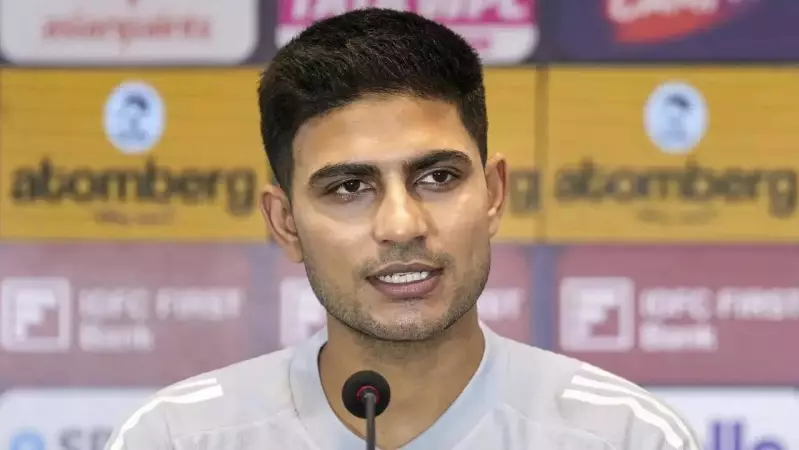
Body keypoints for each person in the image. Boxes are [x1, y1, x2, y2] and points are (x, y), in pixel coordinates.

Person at [106, 8, 699, 450]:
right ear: (285, 224)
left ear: (493, 194)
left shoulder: (627, 436)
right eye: (349, 187)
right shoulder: (175, 437)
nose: (401, 225)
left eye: (438, 177)